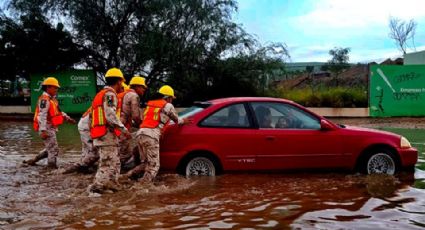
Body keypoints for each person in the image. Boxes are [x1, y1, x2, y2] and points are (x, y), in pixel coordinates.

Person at [124, 85, 191, 183]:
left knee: (145, 163)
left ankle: (126, 177)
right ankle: (143, 185)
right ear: (167, 97)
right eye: (171, 98)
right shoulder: (168, 105)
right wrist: (183, 121)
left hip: (140, 134)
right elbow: (176, 120)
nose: (171, 101)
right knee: (154, 166)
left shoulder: (150, 104)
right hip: (151, 135)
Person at [87, 67, 131, 194]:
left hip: (102, 133)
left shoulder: (101, 94)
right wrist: (123, 129)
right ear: (119, 81)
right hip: (105, 134)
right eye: (121, 82)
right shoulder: (110, 94)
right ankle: (96, 188)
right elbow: (110, 114)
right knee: (107, 163)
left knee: (114, 161)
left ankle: (111, 184)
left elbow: (92, 117)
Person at [23, 77, 76, 168]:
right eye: (55, 87)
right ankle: (51, 168)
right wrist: (43, 130)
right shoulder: (45, 100)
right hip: (46, 127)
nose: (57, 89)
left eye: (57, 88)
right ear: (48, 87)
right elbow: (41, 115)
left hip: (50, 127)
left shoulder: (52, 99)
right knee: (54, 149)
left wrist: (67, 118)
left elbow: (59, 111)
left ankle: (33, 161)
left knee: (50, 149)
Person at [118, 75, 147, 170]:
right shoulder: (134, 96)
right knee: (125, 154)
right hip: (122, 127)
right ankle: (121, 175)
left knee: (119, 151)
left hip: (116, 126)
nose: (144, 90)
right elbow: (136, 116)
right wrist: (143, 126)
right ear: (137, 86)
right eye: (143, 87)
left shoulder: (123, 94)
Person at [60, 107, 99, 174]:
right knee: (94, 152)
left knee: (87, 150)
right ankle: (76, 168)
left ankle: (84, 168)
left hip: (84, 124)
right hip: (86, 126)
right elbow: (91, 117)